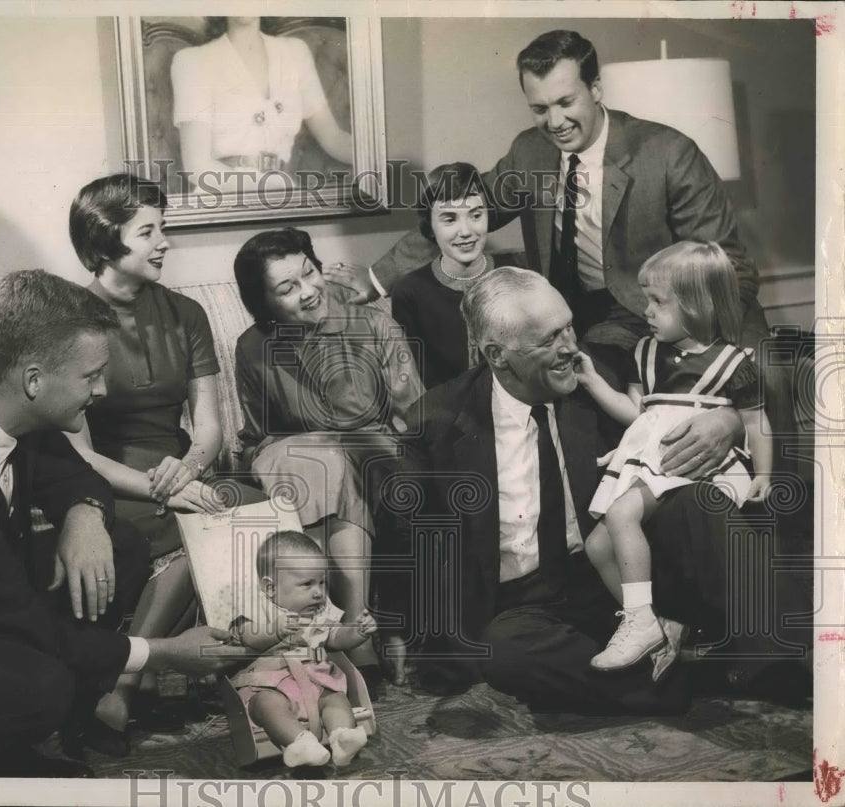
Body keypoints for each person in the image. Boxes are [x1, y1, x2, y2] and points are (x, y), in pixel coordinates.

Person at [328, 29, 790, 483]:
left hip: (662, 315)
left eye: (566, 102)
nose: (555, 122)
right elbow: (456, 207)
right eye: (540, 108)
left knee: (744, 384)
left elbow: (730, 271)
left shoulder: (668, 154)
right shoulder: (530, 153)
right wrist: (376, 277)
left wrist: (712, 371)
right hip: (570, 316)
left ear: (596, 89)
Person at [0, 270, 249, 777]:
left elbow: (68, 468)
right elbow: (18, 621)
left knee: (122, 546)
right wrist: (164, 654)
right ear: (35, 380)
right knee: (43, 686)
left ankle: (74, 715)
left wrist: (84, 515)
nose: (102, 389)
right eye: (91, 376)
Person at [380, 266, 749, 712]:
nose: (570, 347)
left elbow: (697, 396)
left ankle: (767, 651)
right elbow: (404, 532)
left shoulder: (599, 377)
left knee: (697, 503)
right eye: (549, 338)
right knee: (505, 653)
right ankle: (692, 679)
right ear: (498, 355)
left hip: (613, 573)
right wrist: (396, 627)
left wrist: (730, 421)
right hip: (522, 603)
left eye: (569, 327)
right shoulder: (436, 421)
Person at [67, 173, 264, 751]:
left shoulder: (186, 313)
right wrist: (162, 489)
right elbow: (80, 453)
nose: (164, 243)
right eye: (148, 232)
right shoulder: (71, 320)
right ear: (106, 242)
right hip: (108, 482)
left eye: (163, 228)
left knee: (253, 509)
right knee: (196, 523)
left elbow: (209, 427)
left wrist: (190, 469)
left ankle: (139, 685)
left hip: (182, 471)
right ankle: (128, 686)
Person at [233, 227, 424, 688]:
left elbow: (415, 416)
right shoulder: (253, 347)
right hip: (293, 454)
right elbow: (258, 434)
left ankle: (357, 631)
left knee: (359, 466)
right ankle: (357, 633)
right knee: (324, 462)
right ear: (263, 303)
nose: (308, 290)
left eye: (309, 273)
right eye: (287, 287)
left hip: (370, 451)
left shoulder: (374, 325)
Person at [575, 241, 773, 671]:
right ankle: (656, 621)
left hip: (692, 463)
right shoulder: (645, 352)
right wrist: (592, 382)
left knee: (621, 514)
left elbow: (756, 422)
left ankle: (639, 621)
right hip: (650, 459)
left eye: (658, 301)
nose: (645, 310)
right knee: (597, 545)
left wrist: (763, 473)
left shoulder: (733, 362)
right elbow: (636, 413)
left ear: (698, 305)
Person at [229, 531, 376, 768]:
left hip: (316, 682)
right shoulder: (254, 609)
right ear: (270, 588)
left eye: (322, 582)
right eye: (307, 584)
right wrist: (274, 631)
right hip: (269, 685)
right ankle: (300, 743)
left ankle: (342, 737)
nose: (318, 592)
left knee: (336, 700)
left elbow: (335, 637)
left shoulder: (319, 611)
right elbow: (248, 638)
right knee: (266, 705)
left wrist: (357, 633)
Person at [172, 16, 352, 194]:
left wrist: (371, 156)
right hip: (224, 194)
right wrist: (267, 189)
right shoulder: (193, 61)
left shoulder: (295, 53)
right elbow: (197, 167)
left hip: (282, 193)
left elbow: (334, 138)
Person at [391, 162, 503, 389]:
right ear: (430, 226)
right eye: (450, 219)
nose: (466, 231)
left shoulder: (516, 275)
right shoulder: (409, 293)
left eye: (476, 215)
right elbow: (415, 381)